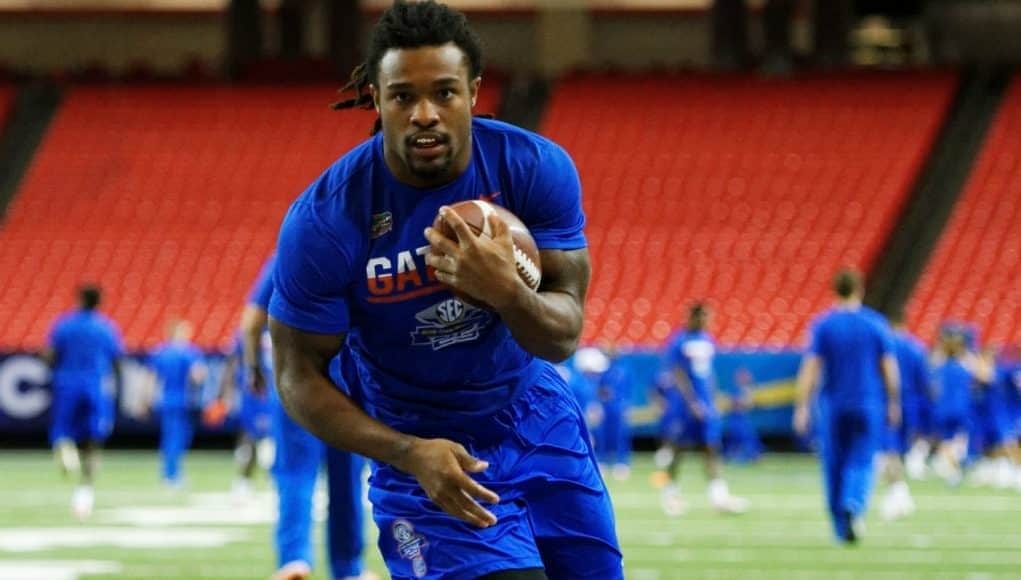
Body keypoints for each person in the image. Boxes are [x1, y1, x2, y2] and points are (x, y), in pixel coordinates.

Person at [267, 2, 623, 578]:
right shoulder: (327, 218)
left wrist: (508, 292)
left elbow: (563, 335)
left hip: (538, 419)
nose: (425, 114)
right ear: (377, 99)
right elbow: (296, 373)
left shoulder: (532, 168)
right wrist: (407, 453)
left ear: (474, 92)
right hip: (419, 443)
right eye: (403, 96)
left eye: (445, 93)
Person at [244, 256, 372, 580]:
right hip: (348, 379)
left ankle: (294, 559)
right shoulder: (358, 251)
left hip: (296, 379)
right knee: (346, 479)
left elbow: (252, 321)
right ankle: (348, 568)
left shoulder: (291, 250)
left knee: (294, 473)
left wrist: (255, 369)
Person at [793, 270, 900, 544]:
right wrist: (894, 402)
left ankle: (840, 526)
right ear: (860, 289)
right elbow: (889, 368)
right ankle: (854, 503)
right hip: (867, 402)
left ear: (834, 290)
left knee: (834, 463)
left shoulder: (824, 325)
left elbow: (811, 367)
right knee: (862, 459)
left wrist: (802, 406)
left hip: (833, 404)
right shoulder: (875, 323)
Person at [43, 283, 124, 519]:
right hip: (95, 385)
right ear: (99, 302)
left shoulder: (64, 324)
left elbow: (50, 356)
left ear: (79, 299)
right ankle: (84, 493)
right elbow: (117, 362)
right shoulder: (106, 327)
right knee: (93, 440)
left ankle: (65, 448)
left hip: (66, 383)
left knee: (62, 431)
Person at [660, 303, 748, 516]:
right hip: (684, 407)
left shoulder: (707, 340)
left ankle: (719, 496)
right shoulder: (679, 341)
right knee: (679, 449)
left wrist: (711, 400)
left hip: (705, 404)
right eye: (705, 317)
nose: (708, 322)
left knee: (711, 446)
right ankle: (670, 492)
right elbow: (678, 374)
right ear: (694, 317)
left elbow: (708, 375)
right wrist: (691, 402)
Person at [144, 320, 207, 488]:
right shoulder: (189, 352)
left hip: (165, 400)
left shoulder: (160, 352)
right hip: (183, 400)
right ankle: (172, 474)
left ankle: (168, 472)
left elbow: (151, 378)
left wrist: (147, 399)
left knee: (168, 437)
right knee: (179, 438)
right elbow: (197, 375)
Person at [214, 331, 275, 500]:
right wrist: (224, 394)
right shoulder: (247, 333)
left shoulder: (282, 323)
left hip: (275, 392)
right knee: (251, 438)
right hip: (254, 395)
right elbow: (231, 364)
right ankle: (244, 480)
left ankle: (274, 478)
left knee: (273, 441)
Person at [876, 310, 924, 520]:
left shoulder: (886, 347)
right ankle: (898, 494)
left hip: (889, 402)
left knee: (889, 450)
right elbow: (924, 381)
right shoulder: (916, 348)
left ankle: (899, 494)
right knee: (899, 451)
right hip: (911, 405)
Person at [595, 347, 633, 480]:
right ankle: (603, 461)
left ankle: (622, 463)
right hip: (606, 407)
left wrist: (626, 407)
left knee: (621, 435)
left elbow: (628, 390)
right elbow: (599, 390)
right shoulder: (604, 371)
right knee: (603, 434)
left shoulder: (624, 371)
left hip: (619, 407)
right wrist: (602, 398)